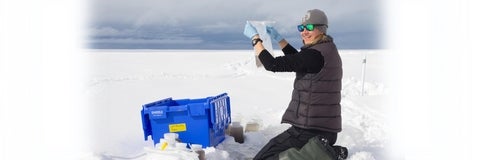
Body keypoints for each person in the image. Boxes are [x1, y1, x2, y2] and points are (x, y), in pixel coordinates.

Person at [243, 9, 348, 160]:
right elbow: (299, 59)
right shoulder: (326, 49)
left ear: (322, 29)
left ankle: (325, 153)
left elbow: (272, 64)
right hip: (325, 131)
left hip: (309, 131)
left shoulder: (315, 55)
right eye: (302, 28)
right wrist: (279, 39)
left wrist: (255, 39)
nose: (304, 31)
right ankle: (324, 150)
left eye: (310, 27)